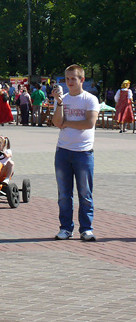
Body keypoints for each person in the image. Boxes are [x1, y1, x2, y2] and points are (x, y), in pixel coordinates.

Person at [52, 65, 99, 241]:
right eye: (67, 79)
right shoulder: (63, 99)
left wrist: (67, 123)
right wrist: (59, 103)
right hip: (63, 151)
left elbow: (89, 123)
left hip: (83, 152)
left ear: (82, 80)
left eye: (73, 78)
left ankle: (86, 229)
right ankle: (66, 228)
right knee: (64, 194)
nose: (70, 82)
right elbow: (57, 122)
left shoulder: (90, 99)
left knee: (85, 194)